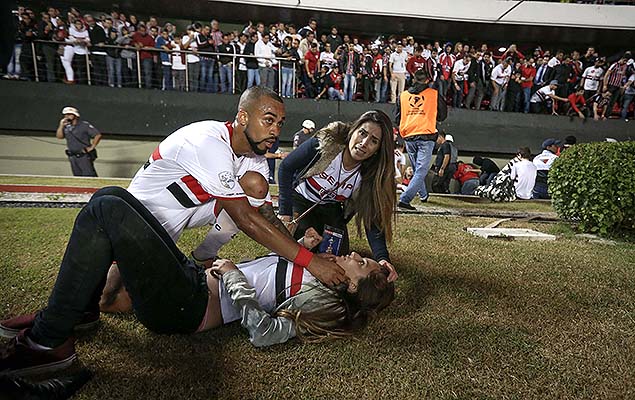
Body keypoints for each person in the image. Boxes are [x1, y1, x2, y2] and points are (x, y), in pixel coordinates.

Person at [0, 186, 394, 376]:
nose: (357, 256)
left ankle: (49, 341)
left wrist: (236, 278)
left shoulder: (323, 301)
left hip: (187, 307)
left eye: (364, 266)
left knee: (106, 209)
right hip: (193, 279)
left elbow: (265, 333)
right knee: (114, 197)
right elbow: (278, 270)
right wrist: (300, 245)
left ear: (356, 287)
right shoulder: (324, 272)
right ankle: (81, 312)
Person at [278, 110, 398, 281]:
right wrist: (286, 213)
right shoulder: (327, 142)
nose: (364, 143)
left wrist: (382, 258)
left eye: (374, 141)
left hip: (331, 209)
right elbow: (286, 168)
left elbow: (372, 220)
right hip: (302, 200)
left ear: (378, 150)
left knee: (339, 259)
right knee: (298, 250)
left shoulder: (370, 175)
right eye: (362, 133)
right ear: (353, 130)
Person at [396, 69, 448, 209]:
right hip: (426, 134)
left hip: (409, 135)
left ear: (413, 78)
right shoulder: (434, 94)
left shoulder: (403, 95)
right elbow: (442, 115)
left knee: (417, 168)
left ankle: (423, 195)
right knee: (421, 170)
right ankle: (405, 200)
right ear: (427, 80)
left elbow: (397, 117)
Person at [55, 106, 102, 177]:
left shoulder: (84, 125)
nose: (67, 116)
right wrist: (61, 125)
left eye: (69, 114)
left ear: (75, 115)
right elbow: (59, 136)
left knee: (88, 174)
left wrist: (92, 147)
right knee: (77, 175)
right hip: (72, 154)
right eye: (66, 114)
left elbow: (97, 135)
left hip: (83, 154)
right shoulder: (66, 126)